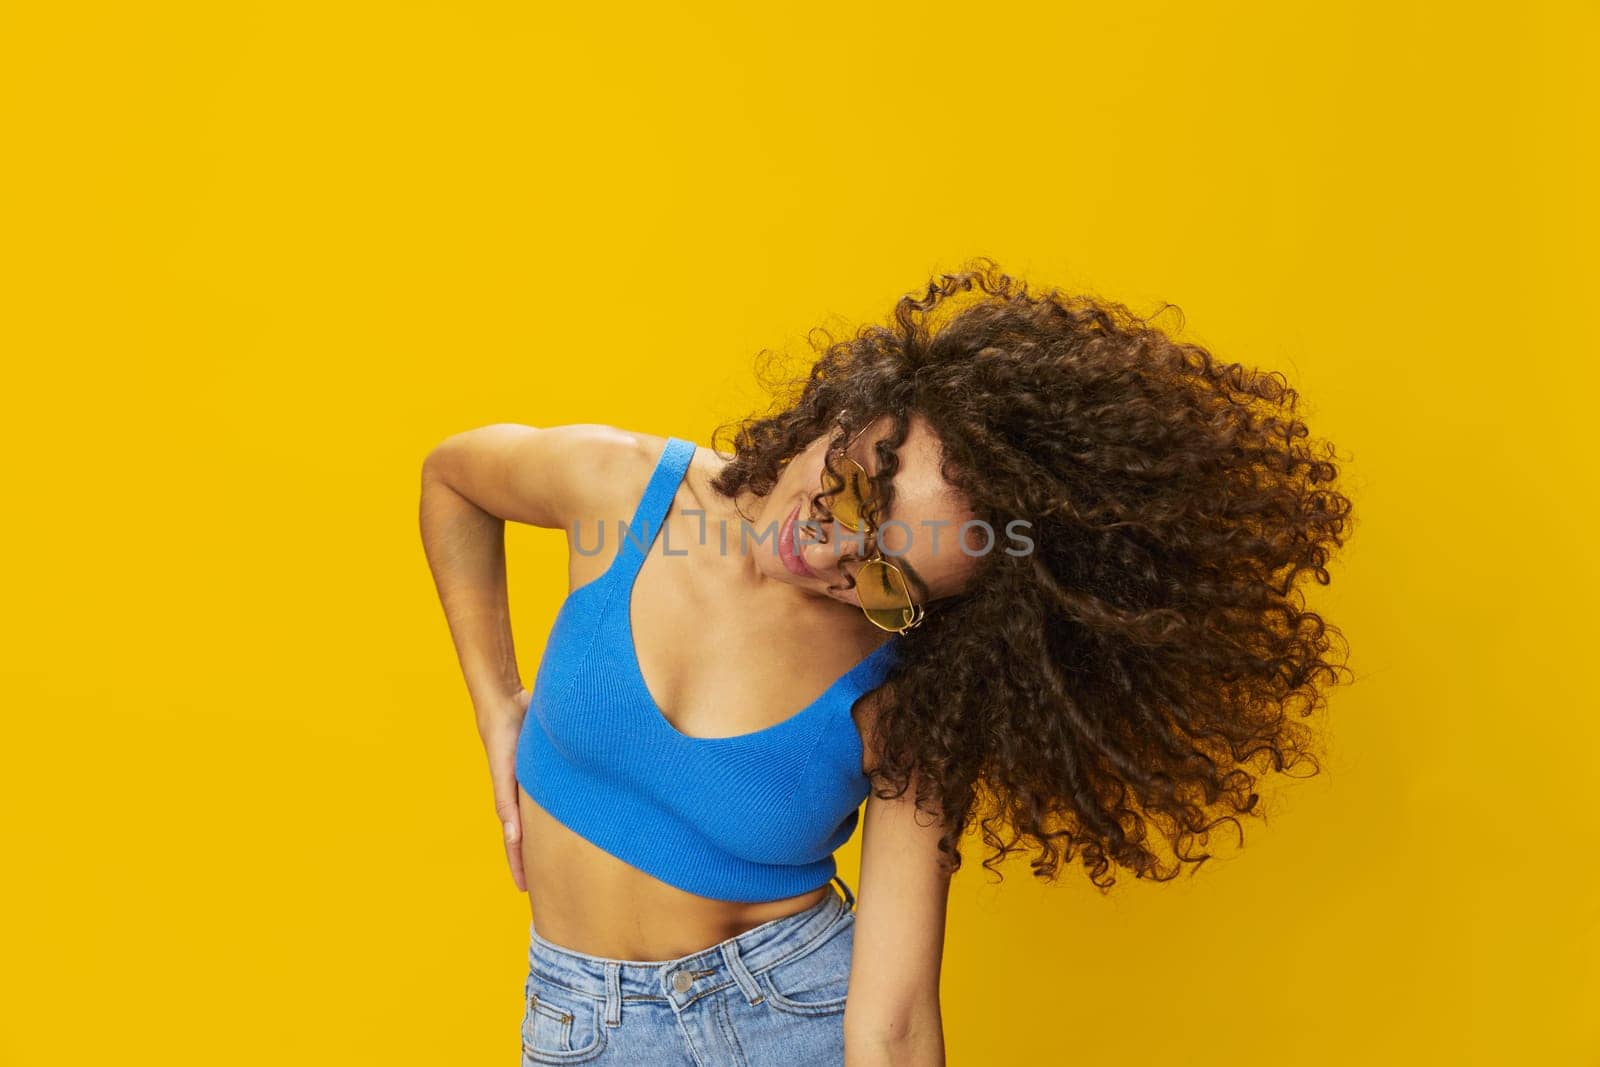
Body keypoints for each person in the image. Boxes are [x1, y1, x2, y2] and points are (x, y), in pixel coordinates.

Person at [418, 258, 1354, 1066]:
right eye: (861, 497)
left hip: (791, 1022)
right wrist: (498, 703)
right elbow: (452, 478)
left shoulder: (911, 698)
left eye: (888, 578)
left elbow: (895, 1022)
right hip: (576, 1019)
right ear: (863, 411)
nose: (829, 558)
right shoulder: (625, 493)